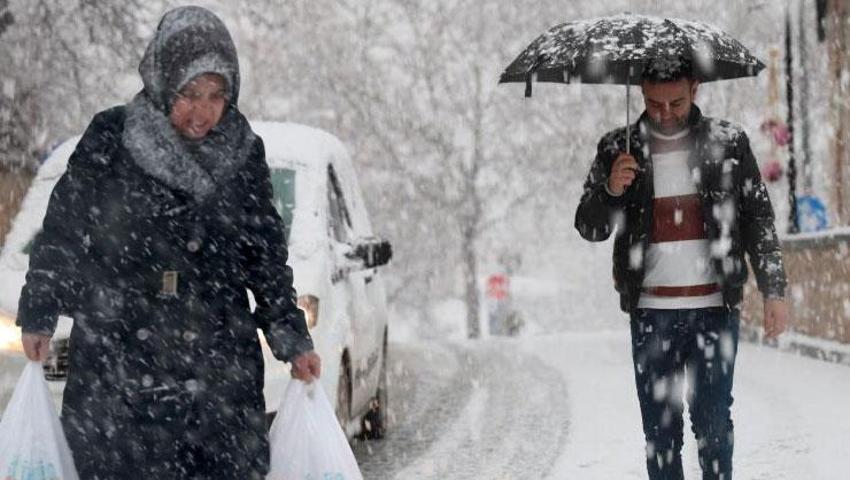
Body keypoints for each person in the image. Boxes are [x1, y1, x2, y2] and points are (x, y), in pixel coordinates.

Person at [15, 6, 320, 479]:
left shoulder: (244, 150)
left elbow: (265, 256)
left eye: (217, 96)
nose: (203, 111)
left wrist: (291, 337)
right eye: (189, 94)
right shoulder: (112, 138)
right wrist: (39, 311)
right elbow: (63, 233)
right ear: (162, 81)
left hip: (218, 373)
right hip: (118, 363)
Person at [574, 57, 788, 480]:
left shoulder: (729, 144)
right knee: (660, 434)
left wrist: (774, 290)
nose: (665, 113)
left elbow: (757, 219)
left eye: (675, 102)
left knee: (713, 428)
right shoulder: (619, 149)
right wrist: (610, 189)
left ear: (695, 90)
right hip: (652, 314)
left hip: (715, 309)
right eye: (655, 104)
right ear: (641, 93)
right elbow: (589, 226)